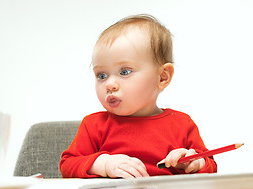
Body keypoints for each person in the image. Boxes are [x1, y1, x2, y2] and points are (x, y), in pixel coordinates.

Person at [60, 14, 217, 179]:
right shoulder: (93, 125)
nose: (109, 84)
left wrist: (195, 163)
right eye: (101, 75)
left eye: (125, 72)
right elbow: (68, 165)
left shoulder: (182, 124)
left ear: (162, 77)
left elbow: (211, 166)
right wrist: (104, 164)